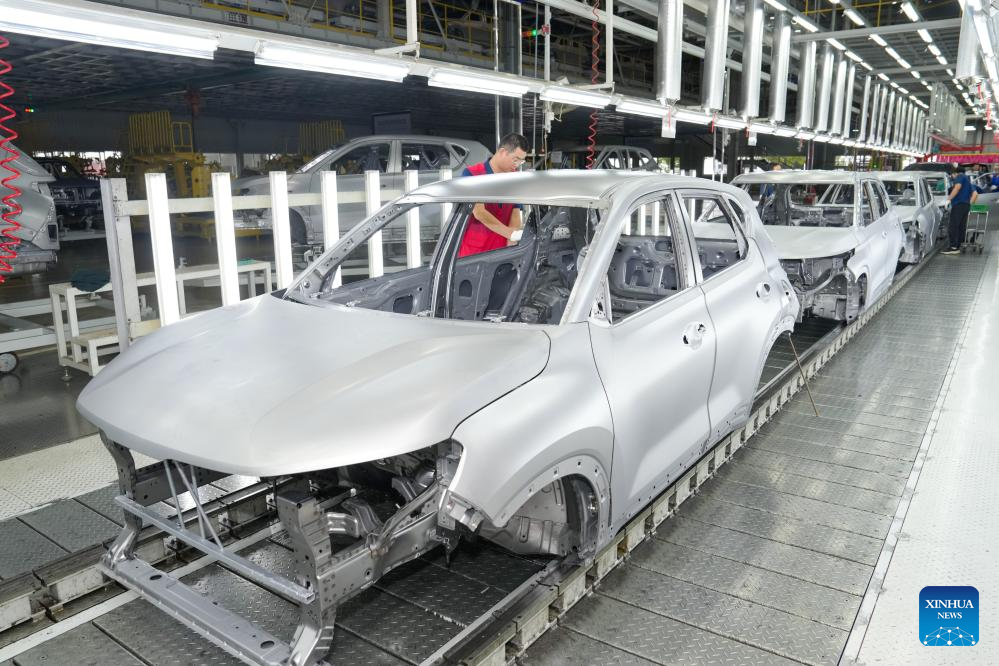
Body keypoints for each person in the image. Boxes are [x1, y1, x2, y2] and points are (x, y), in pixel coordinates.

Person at [457, 133, 529, 258]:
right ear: (502, 152)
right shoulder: (472, 174)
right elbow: (479, 212)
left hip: (502, 250)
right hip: (475, 252)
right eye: (515, 159)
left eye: (521, 161)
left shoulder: (514, 178)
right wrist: (510, 234)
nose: (517, 165)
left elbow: (515, 211)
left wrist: (512, 243)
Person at [942, 166, 979, 255]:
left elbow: (957, 188)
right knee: (961, 226)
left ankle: (953, 247)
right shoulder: (967, 180)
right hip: (965, 205)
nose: (952, 177)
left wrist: (949, 199)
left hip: (959, 205)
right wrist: (968, 204)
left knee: (953, 226)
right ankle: (958, 246)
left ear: (955, 173)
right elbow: (975, 193)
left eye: (952, 175)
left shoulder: (960, 177)